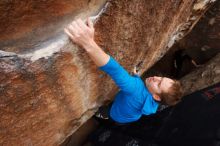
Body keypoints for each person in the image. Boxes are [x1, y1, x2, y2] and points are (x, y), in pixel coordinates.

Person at [64, 18, 183, 124]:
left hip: (115, 114)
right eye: (161, 78)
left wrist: (88, 43)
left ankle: (101, 116)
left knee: (102, 113)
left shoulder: (135, 89)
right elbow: (141, 92)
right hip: (128, 117)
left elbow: (115, 70)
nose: (156, 78)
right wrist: (137, 77)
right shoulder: (153, 104)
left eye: (159, 83)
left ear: (157, 97)